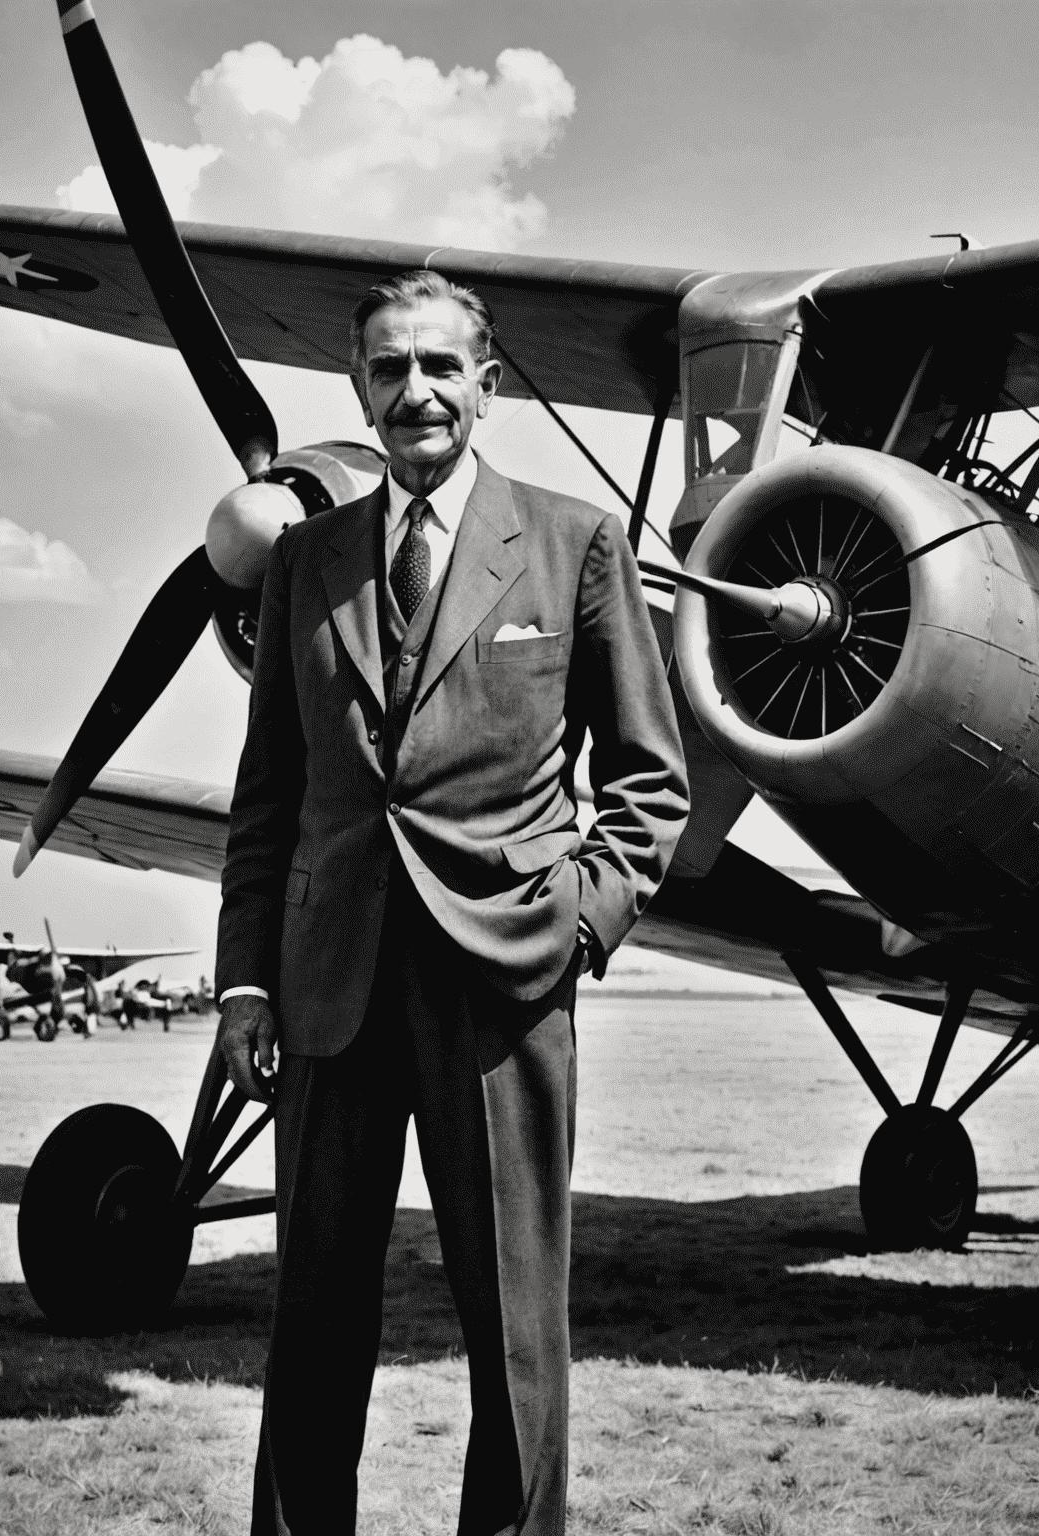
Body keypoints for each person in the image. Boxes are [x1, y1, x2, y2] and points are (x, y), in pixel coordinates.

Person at [215, 269, 689, 1535]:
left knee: (515, 1331)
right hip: (326, 990)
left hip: (503, 983)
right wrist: (247, 981)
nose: (415, 390)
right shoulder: (305, 560)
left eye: (440, 366)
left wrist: (575, 921)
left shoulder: (577, 543)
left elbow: (650, 783)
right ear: (360, 391)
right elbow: (270, 796)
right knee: (311, 1316)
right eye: (389, 368)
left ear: (487, 382)